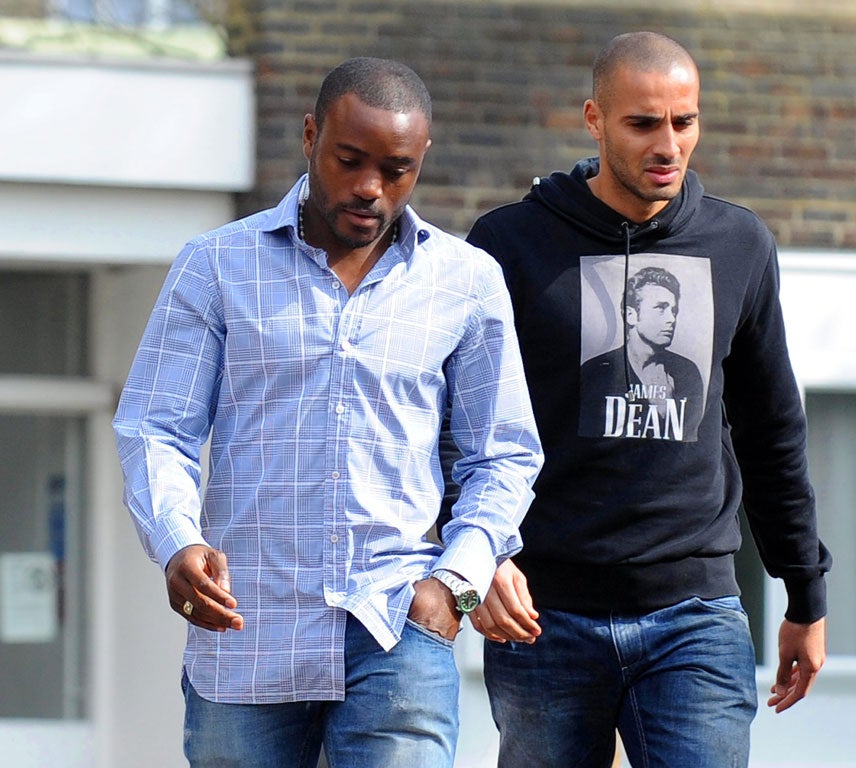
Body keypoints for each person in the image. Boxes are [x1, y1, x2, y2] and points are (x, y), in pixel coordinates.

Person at [113, 57, 542, 768]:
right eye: (350, 160)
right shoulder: (216, 265)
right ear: (311, 136)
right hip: (246, 631)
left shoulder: (466, 283)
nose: (371, 188)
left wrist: (452, 588)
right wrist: (176, 540)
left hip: (397, 631)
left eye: (397, 169)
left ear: (422, 160)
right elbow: (157, 425)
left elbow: (504, 454)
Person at [459, 32, 832, 767]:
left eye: (684, 121)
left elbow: (771, 431)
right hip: (546, 616)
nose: (668, 144)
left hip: (694, 614)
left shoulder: (739, 244)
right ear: (594, 120)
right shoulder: (510, 244)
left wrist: (805, 593)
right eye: (643, 123)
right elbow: (458, 424)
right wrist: (479, 560)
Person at [579, 264, 705, 440]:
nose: (671, 319)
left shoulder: (687, 372)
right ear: (631, 315)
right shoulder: (597, 369)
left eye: (673, 310)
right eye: (661, 308)